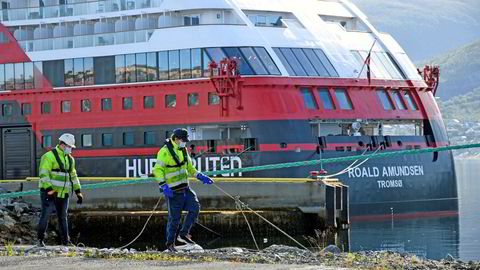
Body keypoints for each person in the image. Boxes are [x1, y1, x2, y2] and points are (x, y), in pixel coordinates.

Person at [153, 128, 213, 252]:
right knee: (174, 219)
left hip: (185, 189)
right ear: (175, 139)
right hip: (173, 191)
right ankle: (170, 244)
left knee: (195, 208)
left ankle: (183, 235)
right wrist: (163, 185)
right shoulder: (164, 152)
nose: (184, 142)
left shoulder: (184, 150)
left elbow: (190, 168)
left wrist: (200, 176)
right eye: (182, 140)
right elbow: (157, 170)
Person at [37, 133, 83, 247]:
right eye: (70, 147)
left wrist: (78, 191)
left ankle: (66, 242)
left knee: (63, 217)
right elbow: (43, 173)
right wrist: (49, 189)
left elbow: (73, 175)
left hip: (63, 193)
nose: (71, 149)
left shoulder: (70, 159)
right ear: (62, 145)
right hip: (49, 192)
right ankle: (40, 241)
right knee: (45, 215)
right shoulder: (48, 156)